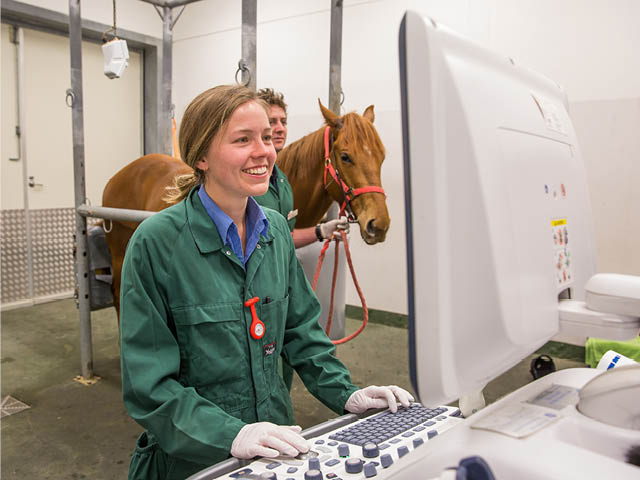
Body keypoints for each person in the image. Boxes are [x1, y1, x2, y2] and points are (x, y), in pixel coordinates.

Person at [119, 84, 413, 480]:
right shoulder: (156, 244)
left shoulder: (274, 230)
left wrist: (347, 393)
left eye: (266, 137)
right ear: (201, 156)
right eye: (243, 140)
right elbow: (149, 387)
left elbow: (301, 331)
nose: (265, 151)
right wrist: (231, 434)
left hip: (277, 450)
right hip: (190, 463)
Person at [254, 87, 348, 247]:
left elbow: (285, 238)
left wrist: (322, 230)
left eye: (283, 122)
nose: (280, 128)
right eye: (272, 122)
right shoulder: (250, 179)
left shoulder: (282, 181)